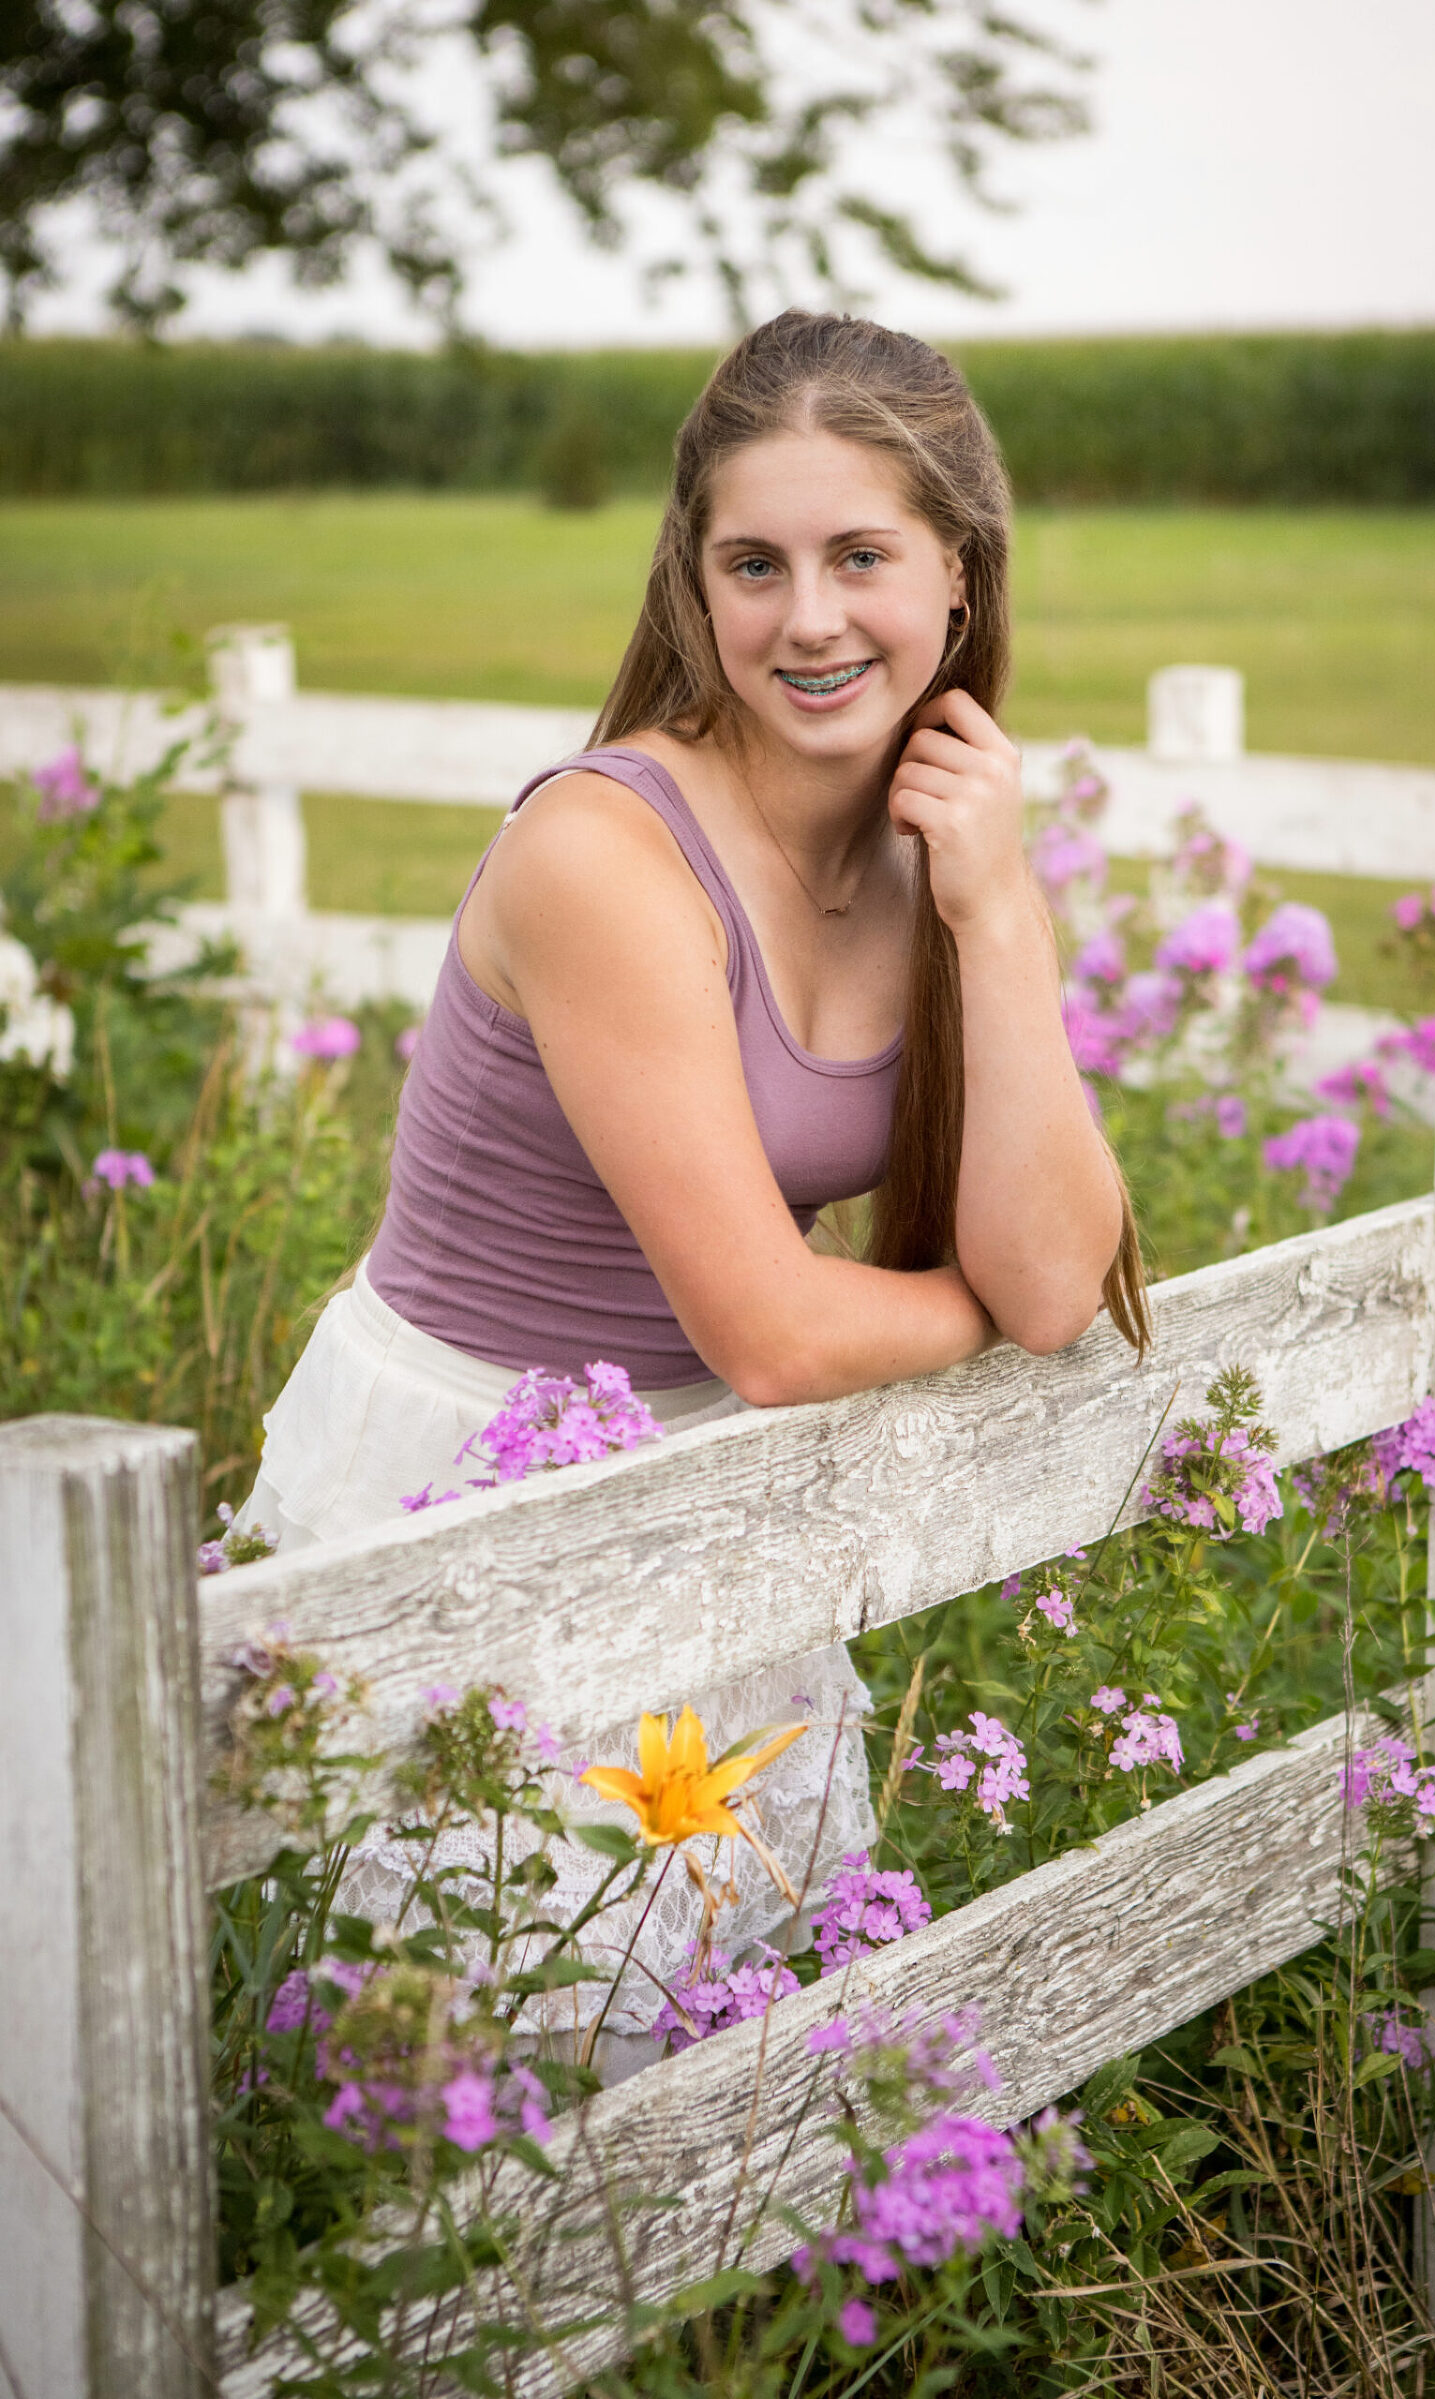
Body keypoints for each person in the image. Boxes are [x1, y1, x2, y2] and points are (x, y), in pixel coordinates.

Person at [240, 309, 1147, 2068]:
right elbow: (784, 1332)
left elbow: (1051, 1258)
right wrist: (983, 1308)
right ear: (694, 581)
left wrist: (1000, 910)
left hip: (708, 1494)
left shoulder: (931, 847)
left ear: (958, 576)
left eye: (860, 556)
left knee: (741, 2077)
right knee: (476, 2074)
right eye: (755, 562)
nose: (808, 619)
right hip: (474, 1483)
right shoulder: (602, 854)